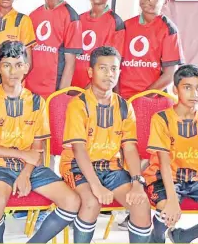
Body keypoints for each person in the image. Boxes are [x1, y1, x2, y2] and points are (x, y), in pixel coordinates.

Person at [0, 40, 80, 244]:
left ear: (26, 67)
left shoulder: (36, 102)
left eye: (18, 65)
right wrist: (20, 154)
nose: (13, 71)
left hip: (31, 167)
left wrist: (25, 173)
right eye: (6, 65)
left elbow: (37, 148)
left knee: (72, 201)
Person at [61, 46, 152, 243]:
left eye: (114, 69)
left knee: (141, 204)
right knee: (91, 202)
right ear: (91, 72)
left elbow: (129, 148)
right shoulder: (79, 104)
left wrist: (137, 182)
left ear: (119, 72)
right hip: (77, 166)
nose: (109, 74)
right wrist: (96, 186)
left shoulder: (124, 106)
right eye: (103, 68)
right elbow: (79, 150)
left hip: (111, 168)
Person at [144, 64, 198, 243]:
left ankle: (184, 236)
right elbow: (164, 163)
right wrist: (172, 200)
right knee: (167, 211)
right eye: (187, 88)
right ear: (175, 89)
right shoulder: (162, 119)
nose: (194, 93)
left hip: (195, 180)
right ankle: (155, 239)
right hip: (162, 179)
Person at [118, 0, 184, 99]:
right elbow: (115, 64)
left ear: (165, 1)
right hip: (122, 98)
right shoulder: (125, 26)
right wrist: (116, 96)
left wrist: (142, 98)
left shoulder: (169, 30)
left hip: (151, 99)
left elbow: (170, 74)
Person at [27, 0, 82, 99]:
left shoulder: (71, 17)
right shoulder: (32, 16)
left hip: (53, 94)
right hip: (29, 92)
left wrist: (60, 98)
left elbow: (70, 63)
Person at [71, 0, 124, 89]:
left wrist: (86, 93)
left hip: (95, 93)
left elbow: (112, 64)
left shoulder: (116, 23)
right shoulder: (77, 19)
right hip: (72, 90)